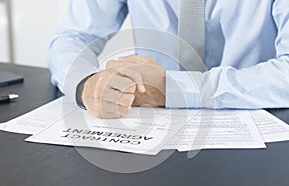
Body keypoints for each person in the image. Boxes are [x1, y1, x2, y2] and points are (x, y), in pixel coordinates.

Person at [48, 0, 289, 119]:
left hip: (258, 127)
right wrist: (87, 83)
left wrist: (172, 88)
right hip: (152, 128)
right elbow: (73, 36)